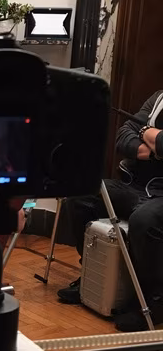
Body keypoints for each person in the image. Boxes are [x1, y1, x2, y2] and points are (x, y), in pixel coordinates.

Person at [58, 90, 163, 331]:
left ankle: (153, 298)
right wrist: (153, 147)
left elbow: (149, 136)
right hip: (134, 185)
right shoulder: (158, 98)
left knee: (144, 220)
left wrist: (145, 132)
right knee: (80, 196)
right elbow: (123, 135)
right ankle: (93, 276)